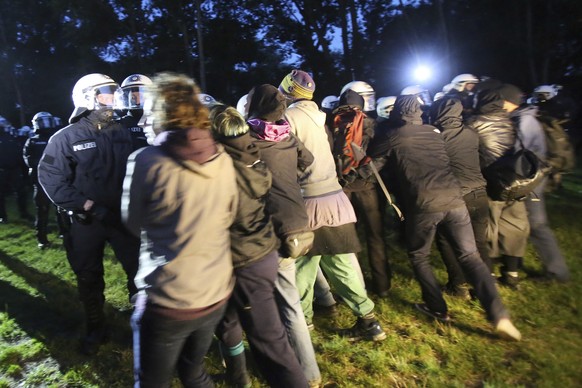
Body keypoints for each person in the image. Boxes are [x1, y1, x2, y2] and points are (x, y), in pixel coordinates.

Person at [368, 95, 521, 341]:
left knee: (419, 255)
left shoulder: (395, 135)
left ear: (397, 112)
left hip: (424, 204)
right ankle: (499, 315)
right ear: (419, 111)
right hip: (455, 200)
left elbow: (371, 155)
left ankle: (436, 307)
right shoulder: (433, 131)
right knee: (471, 257)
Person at [122, 72, 238, 388]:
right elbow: (230, 214)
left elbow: (133, 223)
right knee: (194, 372)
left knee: (151, 382)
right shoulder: (222, 157)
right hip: (215, 292)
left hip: (168, 298)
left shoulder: (146, 160)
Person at [38, 73, 141, 355]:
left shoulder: (123, 131)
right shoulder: (65, 138)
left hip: (122, 218)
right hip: (87, 222)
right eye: (108, 91)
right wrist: (86, 206)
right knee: (88, 276)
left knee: (138, 272)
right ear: (88, 97)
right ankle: (97, 328)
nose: (113, 96)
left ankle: (142, 325)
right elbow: (51, 179)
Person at [280, 70, 386, 341]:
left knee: (304, 265)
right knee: (341, 263)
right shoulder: (321, 117)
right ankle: (369, 321)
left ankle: (303, 323)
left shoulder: (288, 118)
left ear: (288, 90)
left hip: (310, 201)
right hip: (334, 199)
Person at [210, 103, 308, 388]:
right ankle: (237, 377)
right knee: (227, 323)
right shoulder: (251, 153)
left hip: (246, 261)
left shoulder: (226, 167)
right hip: (249, 255)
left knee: (270, 343)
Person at [246, 84, 322, 386]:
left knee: (285, 305)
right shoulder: (287, 136)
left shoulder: (251, 139)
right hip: (300, 225)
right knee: (286, 300)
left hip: (275, 231)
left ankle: (306, 372)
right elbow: (309, 161)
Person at [466, 84, 531, 289]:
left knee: (489, 227)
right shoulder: (509, 121)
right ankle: (511, 273)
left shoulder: (473, 123)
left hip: (490, 182)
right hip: (514, 180)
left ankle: (490, 273)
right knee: (514, 225)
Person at [429, 97, 493, 299]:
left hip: (456, 197)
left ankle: (458, 286)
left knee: (446, 240)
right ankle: (486, 286)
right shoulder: (471, 133)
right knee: (479, 242)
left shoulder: (436, 137)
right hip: (479, 194)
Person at [331, 85, 392, 296]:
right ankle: (382, 285)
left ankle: (356, 287)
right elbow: (381, 156)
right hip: (368, 188)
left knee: (349, 240)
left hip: (343, 189)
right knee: (375, 237)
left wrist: (345, 176)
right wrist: (362, 173)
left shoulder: (331, 124)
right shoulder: (373, 124)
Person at [511, 101, 571, 282]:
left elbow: (522, 152)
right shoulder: (523, 117)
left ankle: (557, 272)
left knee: (537, 224)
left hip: (532, 180)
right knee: (529, 223)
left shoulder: (525, 120)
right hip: (531, 178)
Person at [23, 112, 60, 248]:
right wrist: (49, 161)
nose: (46, 125)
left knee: (60, 208)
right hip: (40, 181)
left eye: (48, 121)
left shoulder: (55, 138)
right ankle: (42, 239)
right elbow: (29, 160)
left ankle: (64, 232)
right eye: (42, 122)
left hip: (57, 178)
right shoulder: (32, 140)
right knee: (42, 210)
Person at [117, 74, 152, 149]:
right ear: (126, 99)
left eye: (141, 97)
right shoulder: (120, 124)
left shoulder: (156, 122)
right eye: (133, 97)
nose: (138, 101)